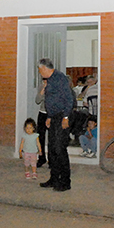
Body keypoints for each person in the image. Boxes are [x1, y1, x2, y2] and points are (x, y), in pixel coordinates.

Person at [37, 58, 74, 192]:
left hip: (62, 116)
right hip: (53, 117)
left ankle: (65, 182)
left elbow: (69, 99)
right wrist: (49, 117)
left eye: (40, 69)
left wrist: (65, 117)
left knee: (59, 149)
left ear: (45, 68)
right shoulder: (50, 80)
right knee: (52, 149)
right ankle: (54, 179)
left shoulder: (60, 78)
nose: (39, 72)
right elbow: (51, 100)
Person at [35, 78, 48, 168]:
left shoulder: (54, 86)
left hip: (52, 114)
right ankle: (42, 157)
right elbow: (37, 100)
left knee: (52, 138)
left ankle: (52, 159)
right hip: (42, 113)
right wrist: (42, 90)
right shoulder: (41, 86)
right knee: (40, 137)